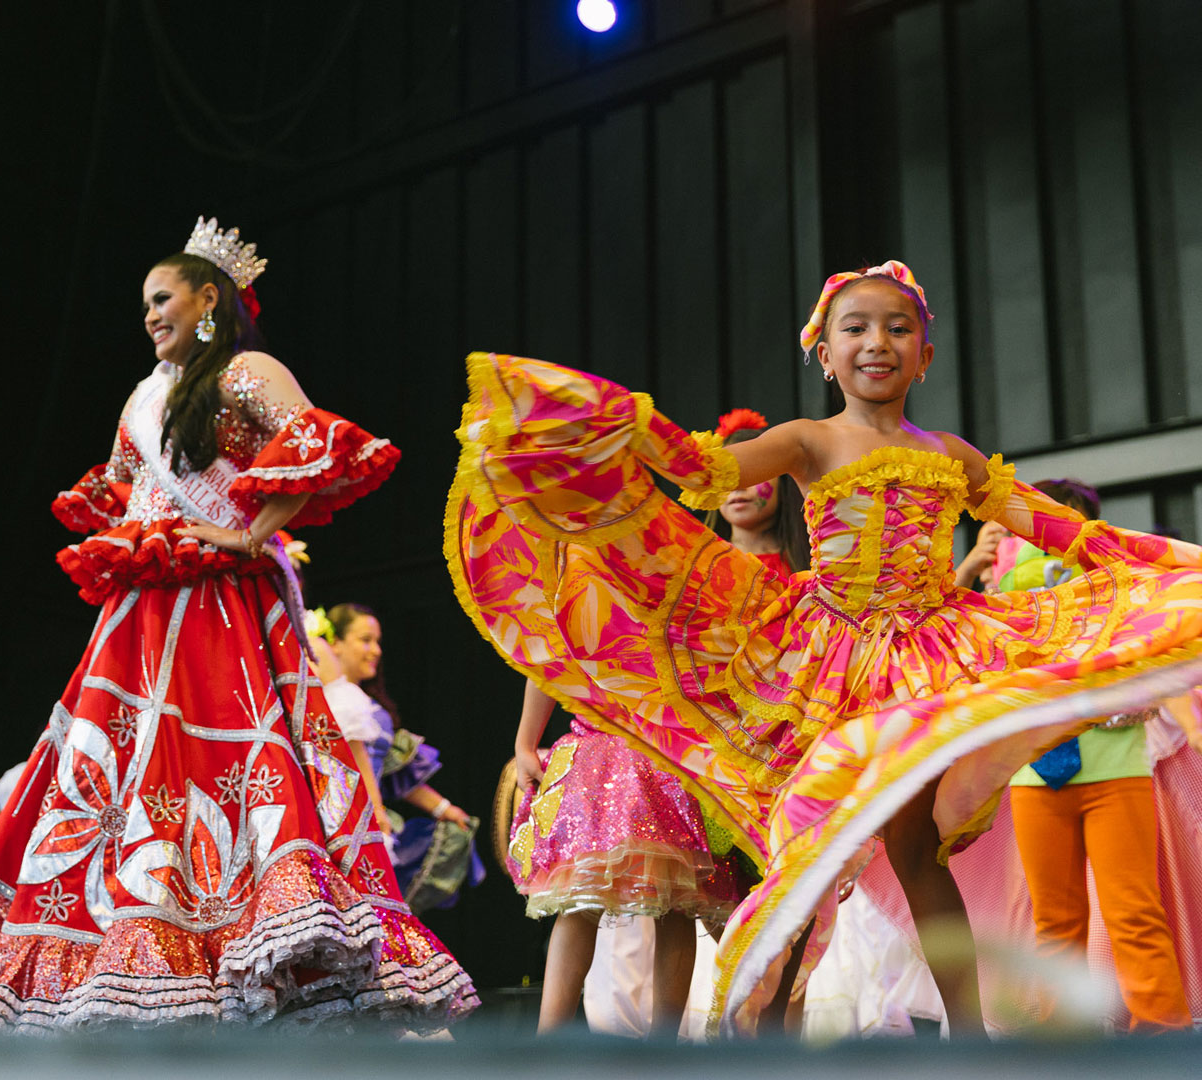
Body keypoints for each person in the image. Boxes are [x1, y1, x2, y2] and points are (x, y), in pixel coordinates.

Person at [445, 260, 1202, 1036]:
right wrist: (626, 426)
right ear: (826, 353)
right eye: (857, 328)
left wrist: (1169, 569)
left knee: (916, 850)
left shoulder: (953, 455)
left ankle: (971, 1040)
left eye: (897, 328)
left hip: (922, 663)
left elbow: (1058, 528)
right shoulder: (809, 440)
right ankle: (769, 1034)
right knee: (810, 853)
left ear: (925, 355)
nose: (878, 342)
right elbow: (707, 472)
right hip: (822, 666)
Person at [0, 218, 476, 1031]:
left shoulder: (245, 371)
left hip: (219, 607)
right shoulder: (147, 394)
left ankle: (244, 944)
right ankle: (130, 944)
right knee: (119, 770)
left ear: (210, 299)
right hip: (140, 609)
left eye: (163, 298)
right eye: (145, 303)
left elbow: (315, 446)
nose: (150, 314)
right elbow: (121, 490)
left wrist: (252, 532)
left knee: (221, 757)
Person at [507, 410, 800, 1037]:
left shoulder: (677, 557)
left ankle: (666, 1044)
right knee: (581, 895)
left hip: (673, 745)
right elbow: (549, 651)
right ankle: (549, 1037)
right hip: (602, 746)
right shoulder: (579, 557)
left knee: (678, 903)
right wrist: (526, 738)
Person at [996, 480, 1192, 1033]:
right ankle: (1064, 1037)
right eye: (1041, 526)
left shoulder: (1126, 594)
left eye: (1066, 523)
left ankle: (1162, 1032)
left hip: (1118, 771)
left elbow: (1159, 660)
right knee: (1053, 921)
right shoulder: (1013, 604)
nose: (1052, 537)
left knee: (1134, 910)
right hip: (1035, 777)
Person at [311, 602, 483, 914]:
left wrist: (444, 808)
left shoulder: (371, 709)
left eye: (377, 642)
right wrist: (374, 810)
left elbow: (392, 774)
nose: (375, 650)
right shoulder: (321, 698)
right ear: (334, 643)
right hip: (341, 816)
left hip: (374, 818)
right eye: (365, 640)